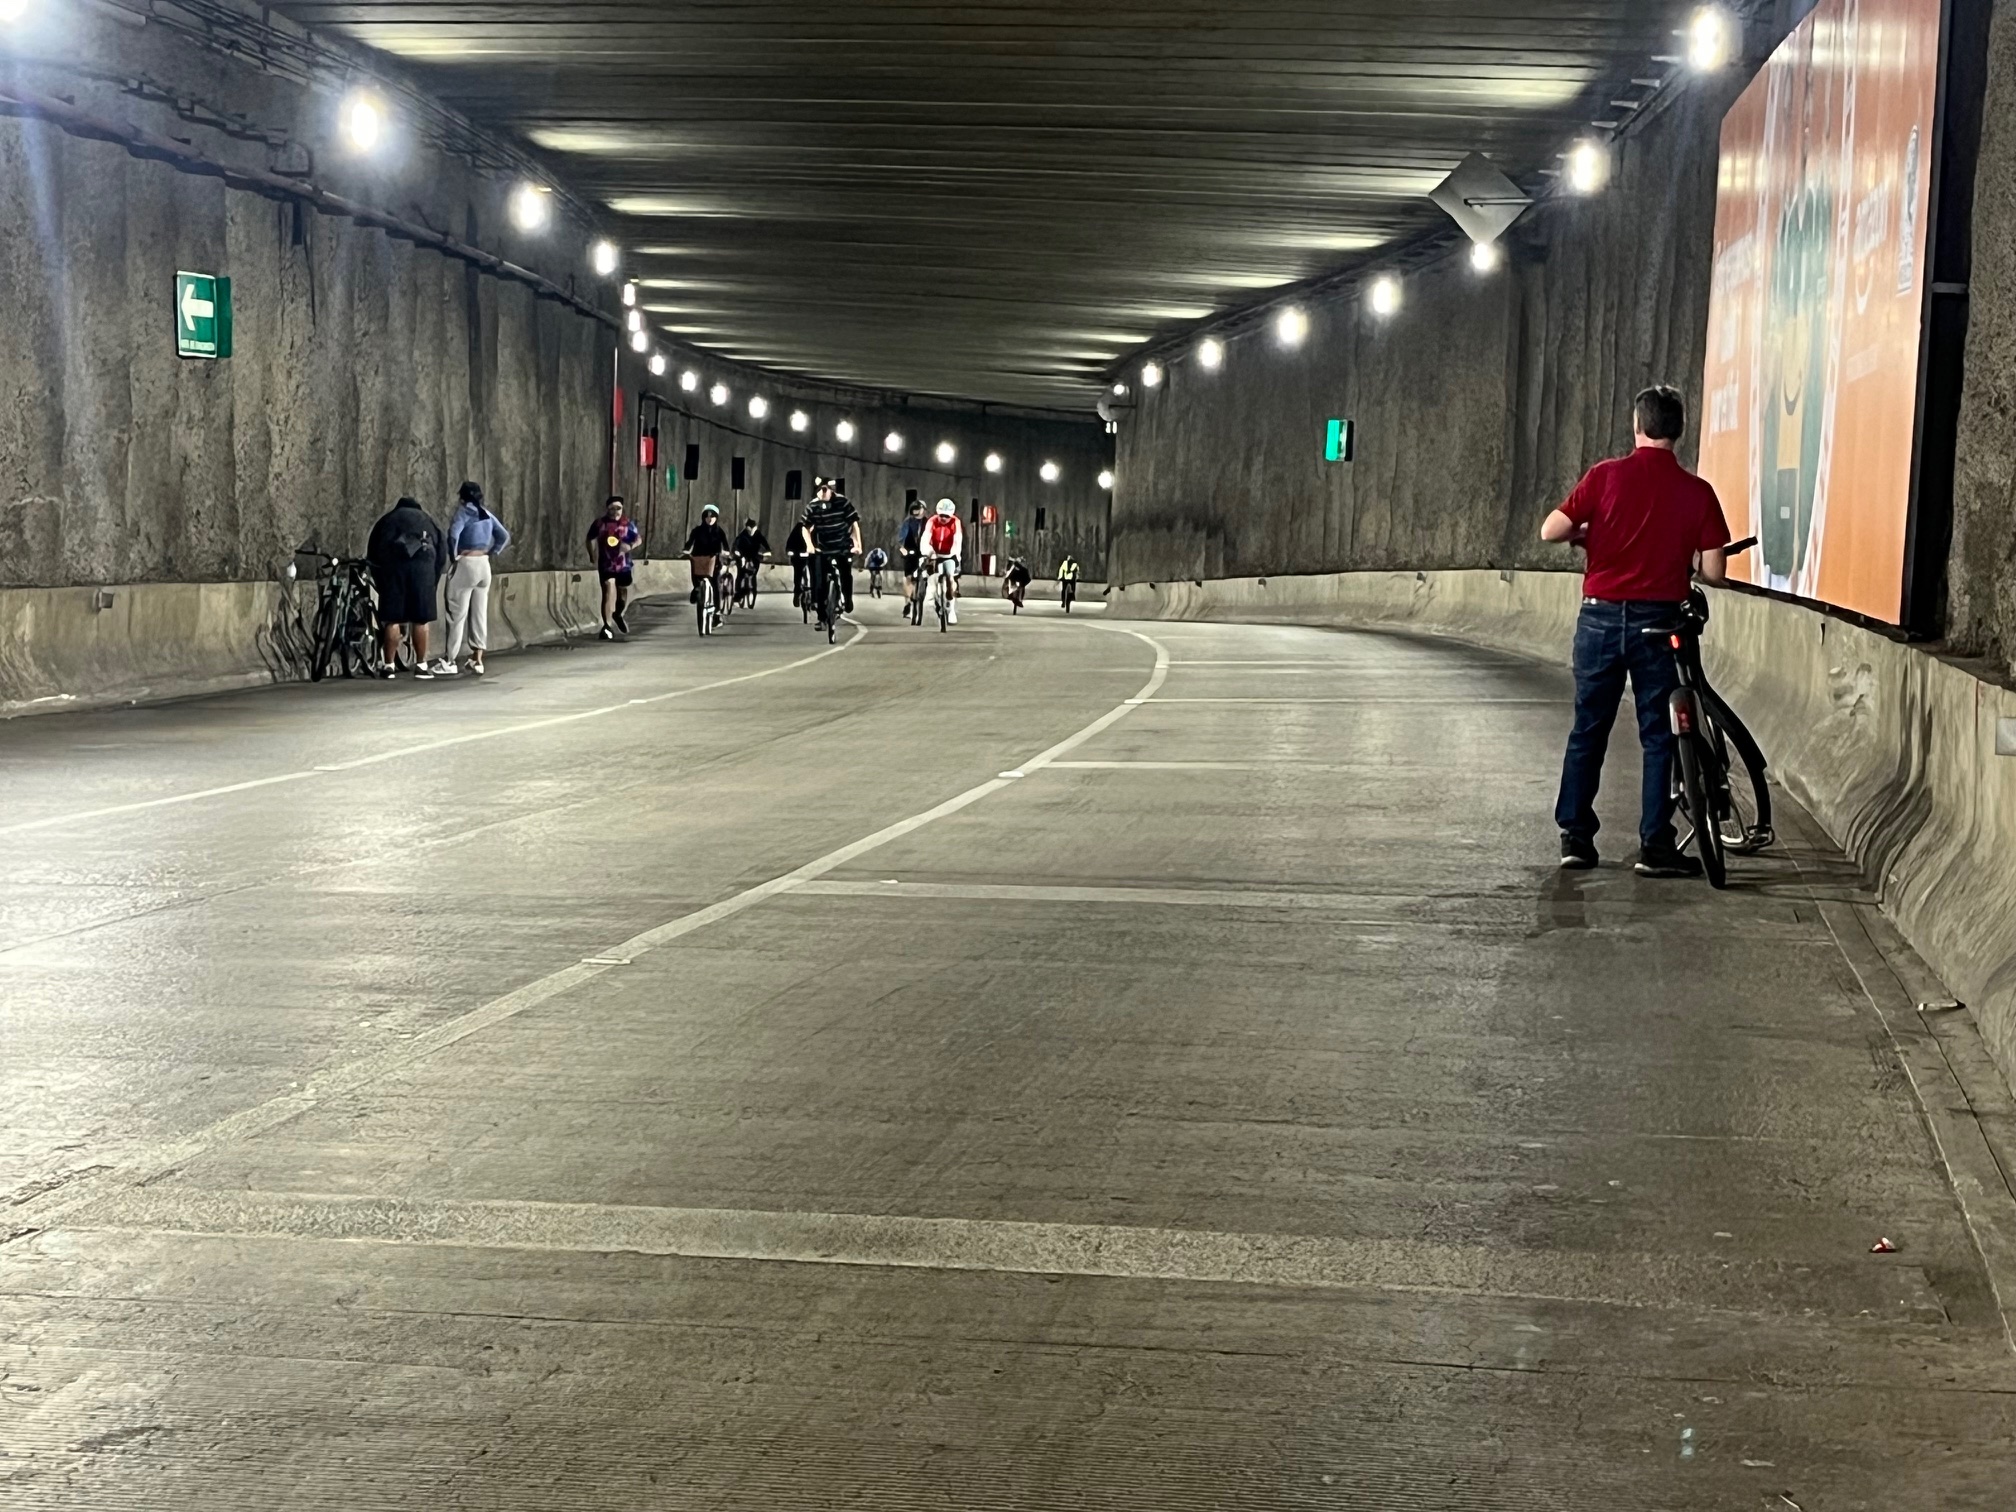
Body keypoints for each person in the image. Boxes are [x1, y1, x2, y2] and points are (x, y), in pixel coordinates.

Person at [1542, 385, 1731, 878]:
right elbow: (1715, 572)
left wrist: (1587, 533)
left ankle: (1576, 838)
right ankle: (1655, 846)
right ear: (1679, 431)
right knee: (1659, 735)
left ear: (1636, 425)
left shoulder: (1605, 476)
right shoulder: (1698, 492)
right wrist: (1686, 556)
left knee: (1589, 729)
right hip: (1659, 624)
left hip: (1599, 620)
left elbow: (1550, 530)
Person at [365, 496, 444, 679]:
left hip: (393, 571)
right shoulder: (428, 520)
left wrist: (381, 581)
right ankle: (421, 666)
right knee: (420, 620)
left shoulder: (387, 520)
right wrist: (433, 579)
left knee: (392, 620)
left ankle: (388, 666)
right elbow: (441, 552)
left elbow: (373, 553)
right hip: (423, 572)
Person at [439, 480, 509, 677]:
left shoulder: (463, 513)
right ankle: (477, 659)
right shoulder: (486, 514)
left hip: (467, 562)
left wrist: (454, 556)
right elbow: (503, 535)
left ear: (462, 497)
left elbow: (454, 535)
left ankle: (449, 660)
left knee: (456, 613)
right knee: (479, 614)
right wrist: (493, 551)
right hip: (484, 564)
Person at [801, 478, 862, 621]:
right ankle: (822, 617)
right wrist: (810, 545)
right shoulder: (813, 506)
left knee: (845, 573)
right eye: (819, 490)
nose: (822, 493)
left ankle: (847, 598)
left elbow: (853, 524)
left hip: (842, 546)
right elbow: (805, 528)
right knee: (820, 581)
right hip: (824, 548)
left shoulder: (842, 502)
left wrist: (857, 544)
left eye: (825, 490)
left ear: (831, 491)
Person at [586, 496, 642, 640]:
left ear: (622, 509)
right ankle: (607, 626)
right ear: (607, 509)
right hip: (606, 565)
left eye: (618, 508)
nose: (615, 511)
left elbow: (638, 539)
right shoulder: (600, 523)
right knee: (607, 590)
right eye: (612, 508)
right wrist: (592, 554)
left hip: (623, 565)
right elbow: (590, 538)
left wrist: (630, 546)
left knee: (622, 593)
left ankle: (618, 614)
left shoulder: (627, 524)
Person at [684, 505, 731, 621]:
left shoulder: (719, 531)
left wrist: (726, 553)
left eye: (712, 517)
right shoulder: (697, 531)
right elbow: (689, 543)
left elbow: (726, 546)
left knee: (715, 583)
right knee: (696, 575)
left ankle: (717, 612)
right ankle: (696, 589)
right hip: (699, 558)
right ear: (703, 518)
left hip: (714, 560)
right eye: (707, 517)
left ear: (716, 518)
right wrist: (686, 550)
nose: (710, 519)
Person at [922, 497, 964, 625]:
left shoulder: (956, 522)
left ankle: (951, 610)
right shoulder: (932, 521)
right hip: (934, 554)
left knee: (950, 578)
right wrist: (928, 552)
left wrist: (956, 555)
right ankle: (931, 594)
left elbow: (957, 540)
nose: (944, 519)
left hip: (950, 555)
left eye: (947, 516)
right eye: (941, 516)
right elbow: (925, 538)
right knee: (931, 575)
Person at [895, 498, 929, 613]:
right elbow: (901, 537)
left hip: (925, 551)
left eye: (918, 509)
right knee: (908, 577)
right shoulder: (908, 522)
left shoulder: (928, 522)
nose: (916, 512)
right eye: (914, 510)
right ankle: (908, 602)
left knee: (928, 573)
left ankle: (925, 593)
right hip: (910, 550)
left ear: (924, 510)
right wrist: (902, 548)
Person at [732, 517, 771, 606]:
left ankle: (753, 590)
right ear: (747, 528)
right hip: (742, 556)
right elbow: (735, 545)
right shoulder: (742, 535)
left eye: (754, 528)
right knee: (740, 574)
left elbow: (766, 545)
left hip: (754, 557)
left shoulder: (758, 535)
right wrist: (736, 553)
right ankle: (738, 593)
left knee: (753, 574)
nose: (752, 530)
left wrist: (767, 552)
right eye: (750, 528)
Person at [786, 517, 814, 608]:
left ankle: (816, 596)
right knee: (798, 573)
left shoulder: (817, 529)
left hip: (813, 555)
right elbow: (791, 541)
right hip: (799, 555)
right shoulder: (798, 529)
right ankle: (797, 592)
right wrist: (790, 550)